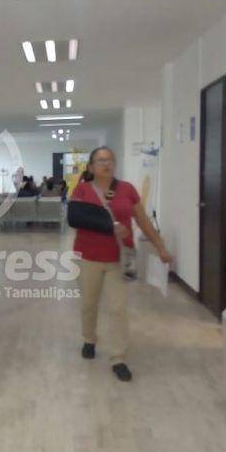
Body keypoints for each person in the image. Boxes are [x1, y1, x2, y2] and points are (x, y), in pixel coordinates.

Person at [70, 146, 172, 381]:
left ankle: (118, 357)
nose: (106, 163)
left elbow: (143, 221)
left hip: (121, 258)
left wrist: (160, 247)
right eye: (101, 160)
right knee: (89, 304)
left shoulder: (127, 189)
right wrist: (110, 227)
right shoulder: (83, 189)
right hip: (89, 257)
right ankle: (89, 339)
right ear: (91, 166)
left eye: (110, 159)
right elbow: (74, 218)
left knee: (118, 308)